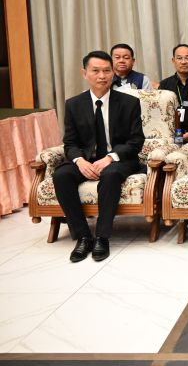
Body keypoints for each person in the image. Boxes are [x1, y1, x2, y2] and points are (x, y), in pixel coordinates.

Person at [53, 51, 145, 263]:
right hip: (87, 159)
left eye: (106, 70)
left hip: (118, 160)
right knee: (61, 175)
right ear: (84, 73)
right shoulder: (73, 104)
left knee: (111, 175)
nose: (102, 76)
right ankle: (83, 237)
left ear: (113, 73)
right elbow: (70, 143)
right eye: (95, 71)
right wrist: (80, 161)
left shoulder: (129, 102)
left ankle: (102, 238)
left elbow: (136, 141)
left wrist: (110, 158)